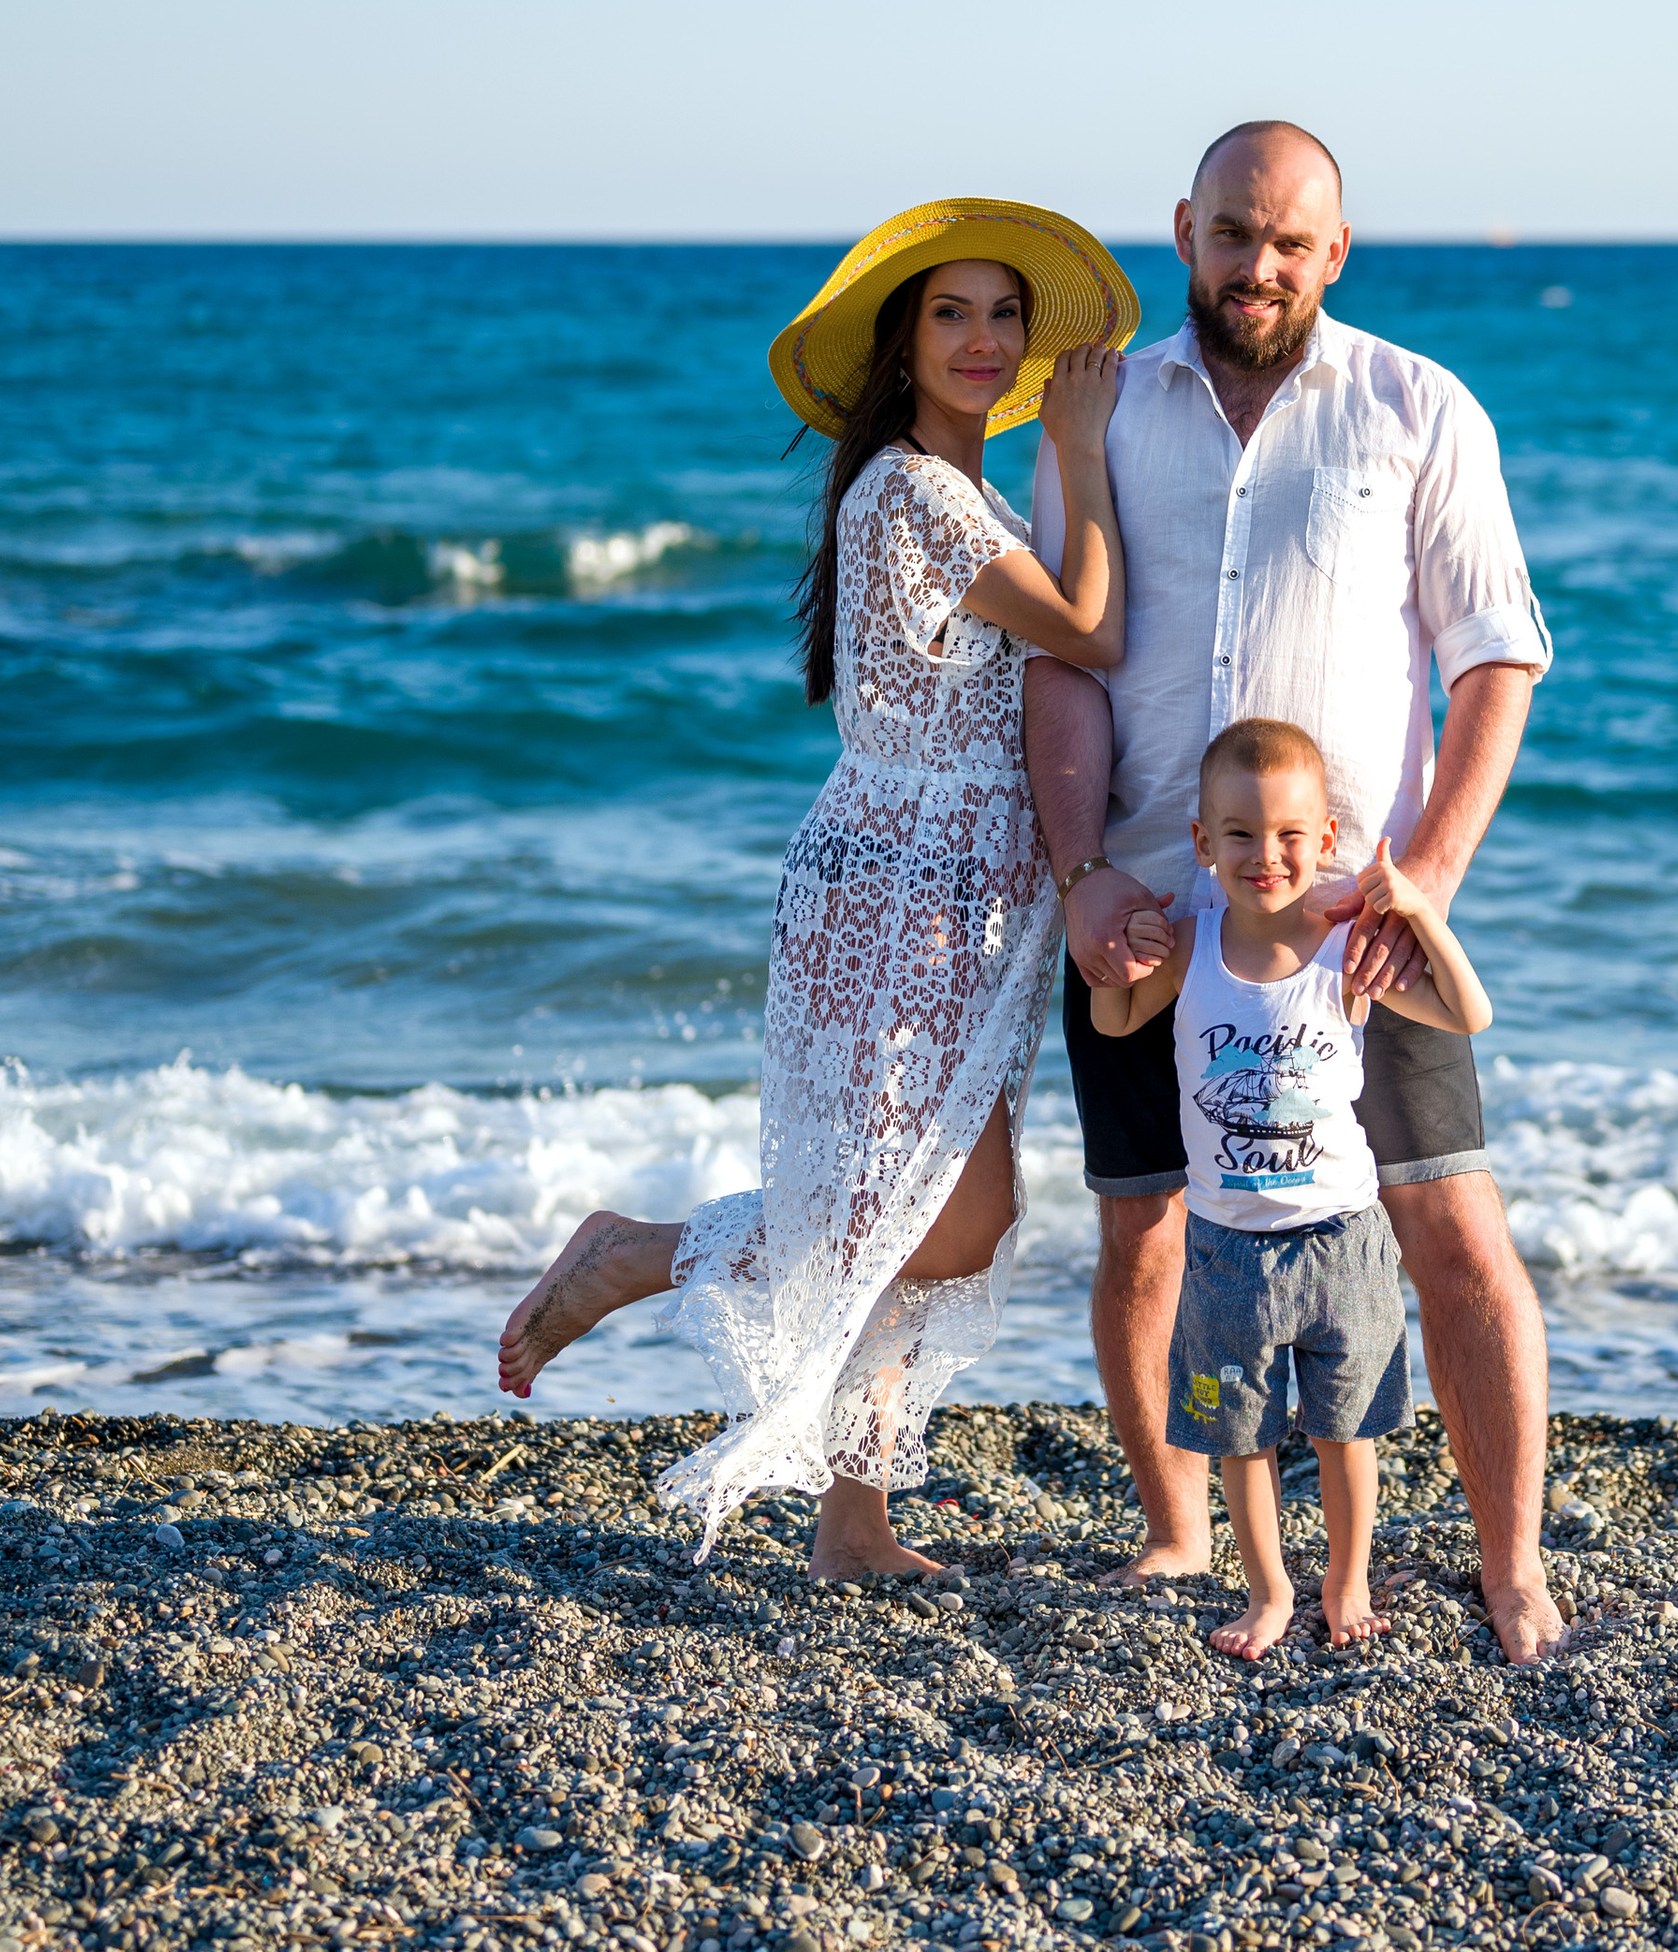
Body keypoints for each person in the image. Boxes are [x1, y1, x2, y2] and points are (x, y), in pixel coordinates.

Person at [494, 198, 1142, 1576]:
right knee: (911, 1216)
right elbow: (1094, 627)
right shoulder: (909, 490)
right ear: (903, 345)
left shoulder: (968, 500)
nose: (982, 338)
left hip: (973, 895)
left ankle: (855, 1520)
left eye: (1003, 314)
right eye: (950, 313)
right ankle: (631, 1254)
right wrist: (1080, 449)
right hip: (899, 886)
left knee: (925, 1217)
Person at [1026, 121, 1567, 1663]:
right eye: (1231, 235)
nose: (1256, 267)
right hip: (1144, 898)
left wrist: (1429, 885)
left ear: (1336, 252)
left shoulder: (1420, 407)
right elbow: (1061, 657)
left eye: (1289, 242)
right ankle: (1180, 1533)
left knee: (1450, 1221)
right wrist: (1078, 881)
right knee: (1145, 1226)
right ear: (1183, 229)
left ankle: (1511, 1566)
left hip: (1351, 924)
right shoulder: (1103, 413)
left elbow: (1495, 658)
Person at [1090, 716, 1495, 1659]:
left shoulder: (1344, 948)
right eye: (1238, 834)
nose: (1263, 854)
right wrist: (1130, 946)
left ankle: (1345, 1581)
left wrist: (1422, 911)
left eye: (1286, 836)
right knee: (1242, 1434)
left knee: (1347, 1431)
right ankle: (1269, 1591)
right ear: (1202, 845)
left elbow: (1468, 1013)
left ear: (1325, 841)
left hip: (1342, 1237)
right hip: (1226, 1245)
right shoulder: (1191, 945)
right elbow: (1114, 1023)